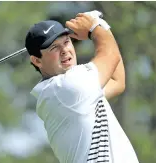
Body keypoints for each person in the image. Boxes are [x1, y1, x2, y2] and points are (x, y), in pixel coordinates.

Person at [25, 11, 139, 163]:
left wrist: (98, 24)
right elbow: (110, 55)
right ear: (37, 61)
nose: (64, 50)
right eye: (54, 48)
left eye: (66, 42)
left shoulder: (61, 91)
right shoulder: (66, 87)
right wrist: (94, 26)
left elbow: (116, 81)